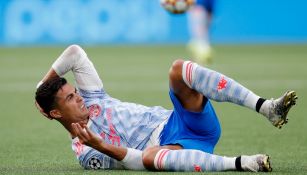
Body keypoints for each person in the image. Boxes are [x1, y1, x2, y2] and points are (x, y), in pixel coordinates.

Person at [35, 45, 297, 172]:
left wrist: (41, 87)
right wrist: (101, 146)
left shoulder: (92, 98)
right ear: (56, 113)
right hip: (175, 149)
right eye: (70, 98)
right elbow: (137, 164)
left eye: (74, 92)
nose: (79, 97)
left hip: (185, 121)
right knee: (149, 157)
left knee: (178, 69)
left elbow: (75, 53)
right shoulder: (85, 153)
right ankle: (242, 163)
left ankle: (267, 108)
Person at [187, 0, 215, 65]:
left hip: (197, 8)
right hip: (200, 8)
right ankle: (202, 55)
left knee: (199, 34)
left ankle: (203, 55)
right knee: (201, 34)